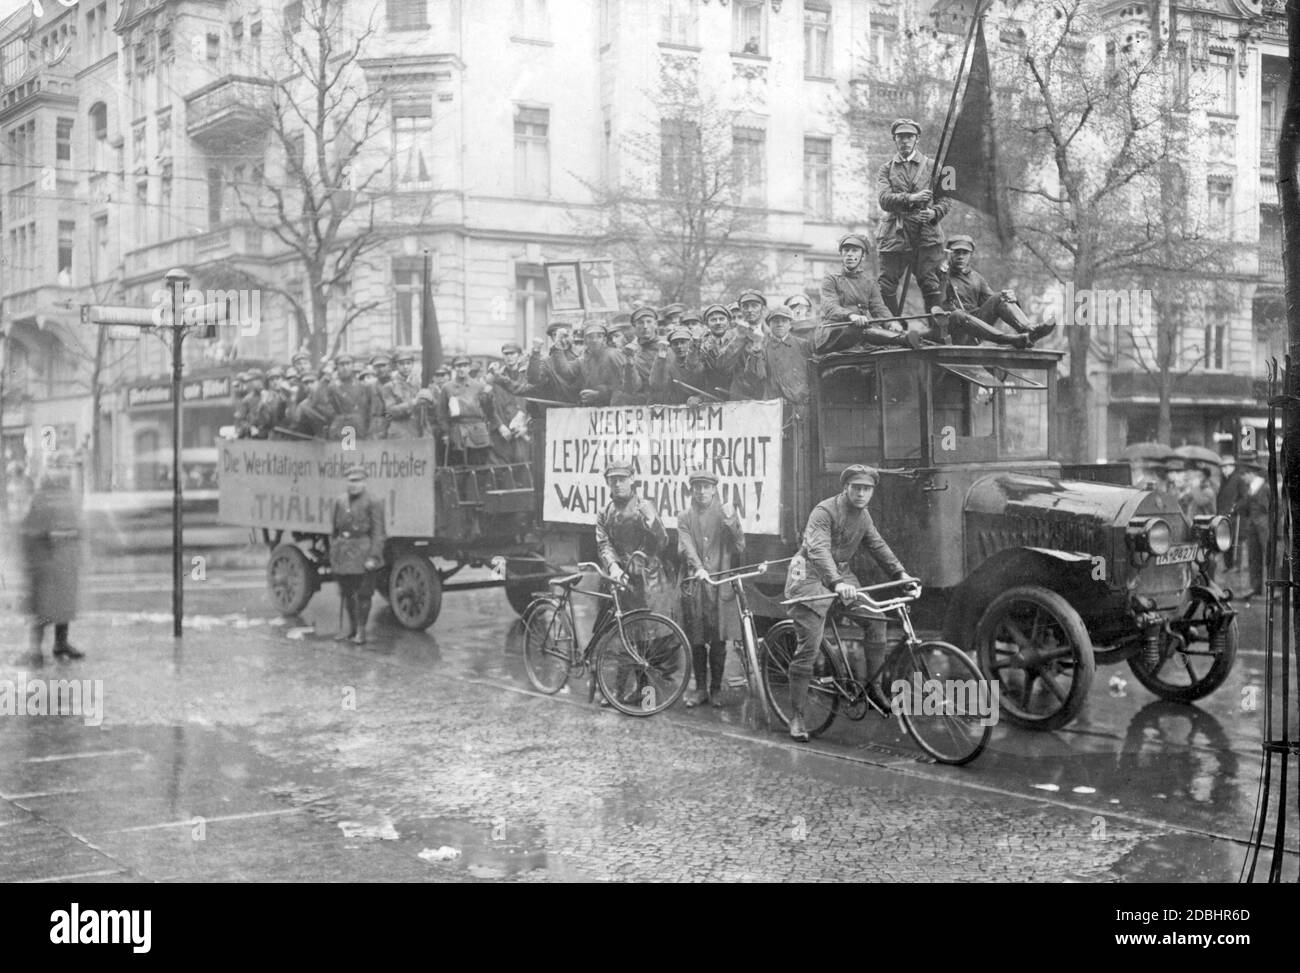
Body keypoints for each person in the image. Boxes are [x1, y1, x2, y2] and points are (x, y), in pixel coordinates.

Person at [783, 464, 918, 742]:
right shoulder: (824, 511)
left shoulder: (864, 517)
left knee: (875, 619)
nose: (861, 493)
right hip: (809, 575)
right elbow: (818, 550)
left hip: (841, 575)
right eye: (856, 487)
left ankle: (873, 688)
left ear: (871, 492)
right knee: (809, 645)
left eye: (866, 489)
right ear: (846, 488)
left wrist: (901, 574)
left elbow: (878, 546)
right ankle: (796, 715)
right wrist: (836, 583)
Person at [594, 462, 677, 706]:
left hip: (646, 581)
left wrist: (653, 523)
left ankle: (645, 693)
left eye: (622, 479)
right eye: (613, 480)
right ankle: (617, 693)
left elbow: (662, 542)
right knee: (620, 635)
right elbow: (603, 544)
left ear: (632, 480)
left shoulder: (643, 507)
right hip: (619, 581)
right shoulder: (604, 513)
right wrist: (613, 566)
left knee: (646, 639)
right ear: (607, 482)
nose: (617, 484)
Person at [677, 470, 745, 708]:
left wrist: (731, 521)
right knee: (696, 639)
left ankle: (716, 689)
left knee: (718, 640)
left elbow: (739, 546)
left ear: (714, 489)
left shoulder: (724, 512)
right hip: (696, 587)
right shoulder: (684, 517)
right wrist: (698, 568)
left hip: (719, 587)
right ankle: (700, 689)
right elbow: (687, 547)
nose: (702, 491)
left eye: (706, 486)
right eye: (697, 487)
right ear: (692, 490)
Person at [876, 117, 950, 316]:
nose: (905, 141)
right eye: (900, 137)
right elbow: (883, 199)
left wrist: (935, 212)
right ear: (894, 139)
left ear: (917, 139)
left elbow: (947, 200)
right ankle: (893, 329)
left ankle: (936, 331)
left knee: (931, 282)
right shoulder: (886, 169)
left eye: (909, 137)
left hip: (926, 232)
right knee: (886, 285)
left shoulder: (935, 167)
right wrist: (912, 197)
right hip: (895, 234)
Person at [19, 465, 85, 666]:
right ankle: (35, 649)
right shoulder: (42, 498)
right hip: (46, 563)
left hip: (65, 561)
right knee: (42, 608)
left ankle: (60, 643)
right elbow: (31, 530)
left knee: (63, 605)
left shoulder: (68, 497)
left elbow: (78, 526)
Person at [819, 234, 929, 353]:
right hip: (834, 333)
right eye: (846, 250)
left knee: (872, 330)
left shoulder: (869, 283)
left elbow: (879, 308)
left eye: (855, 250)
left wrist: (891, 323)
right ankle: (904, 339)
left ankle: (915, 338)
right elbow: (830, 307)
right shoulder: (830, 280)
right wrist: (851, 315)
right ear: (841, 254)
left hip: (863, 331)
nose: (849, 254)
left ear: (863, 256)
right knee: (859, 329)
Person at [941, 235, 1056, 347]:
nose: (961, 257)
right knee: (957, 314)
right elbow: (936, 303)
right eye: (956, 252)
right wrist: (942, 275)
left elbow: (995, 303)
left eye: (965, 253)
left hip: (976, 331)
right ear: (949, 254)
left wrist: (1012, 300)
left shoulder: (976, 278)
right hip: (954, 332)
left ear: (971, 255)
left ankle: (1030, 330)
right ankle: (1009, 340)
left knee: (1002, 296)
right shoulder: (940, 275)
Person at [330, 465, 386, 645]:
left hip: (363, 553)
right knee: (347, 593)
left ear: (364, 482)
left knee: (363, 594)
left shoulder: (374, 501)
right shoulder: (340, 501)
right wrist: (335, 551)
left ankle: (361, 630)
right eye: (351, 481)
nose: (354, 485)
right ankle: (350, 628)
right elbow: (334, 530)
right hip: (344, 554)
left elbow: (379, 532)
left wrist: (374, 557)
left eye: (357, 481)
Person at [437, 355, 498, 464]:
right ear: (454, 368)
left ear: (469, 368)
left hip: (478, 432)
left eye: (464, 366)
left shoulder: (478, 386)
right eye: (458, 366)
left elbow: (489, 411)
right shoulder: (447, 388)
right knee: (459, 467)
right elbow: (441, 414)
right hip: (457, 433)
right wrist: (446, 433)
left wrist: (489, 397)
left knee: (479, 466)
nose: (461, 369)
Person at [752, 305, 812, 407]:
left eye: (784, 321)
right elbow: (759, 376)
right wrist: (756, 354)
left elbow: (812, 374)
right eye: (775, 321)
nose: (780, 324)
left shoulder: (803, 345)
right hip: (774, 405)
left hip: (800, 403)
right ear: (769, 325)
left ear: (790, 324)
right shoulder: (763, 347)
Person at [384, 351, 421, 439]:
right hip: (399, 430)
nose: (405, 367)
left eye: (408, 363)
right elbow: (389, 411)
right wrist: (412, 403)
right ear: (396, 366)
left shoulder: (418, 384)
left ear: (412, 365)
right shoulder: (390, 386)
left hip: (417, 429)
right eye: (401, 364)